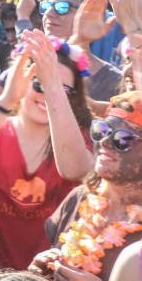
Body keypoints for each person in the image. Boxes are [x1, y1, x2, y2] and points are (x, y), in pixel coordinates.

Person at [0, 31, 93, 270]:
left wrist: (51, 85)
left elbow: (76, 171)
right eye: (40, 83)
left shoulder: (78, 141)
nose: (48, 93)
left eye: (62, 89)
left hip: (50, 271)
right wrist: (7, 98)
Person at [28, 91, 142, 280]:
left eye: (122, 139)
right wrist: (35, 274)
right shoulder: (79, 198)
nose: (105, 142)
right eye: (102, 130)